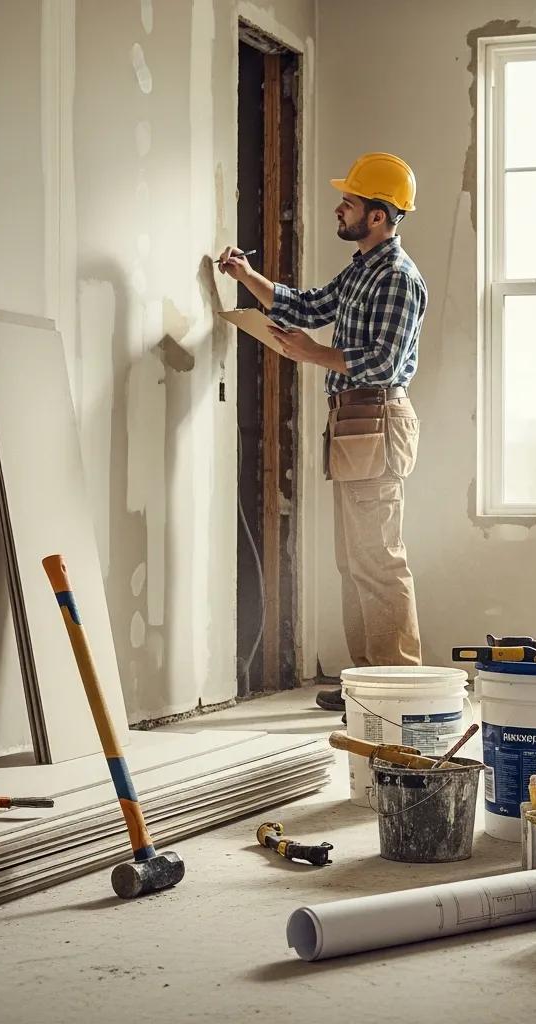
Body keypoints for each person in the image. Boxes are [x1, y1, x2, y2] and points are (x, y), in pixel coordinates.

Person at [218, 152, 426, 712]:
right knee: (353, 560)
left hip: (376, 417)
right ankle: (367, 682)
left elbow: (383, 361)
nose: (341, 207)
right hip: (353, 422)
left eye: (351, 202)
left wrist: (314, 354)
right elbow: (310, 306)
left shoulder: (399, 279)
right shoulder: (362, 268)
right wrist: (247, 278)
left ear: (379, 216)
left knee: (380, 560)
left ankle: (399, 688)